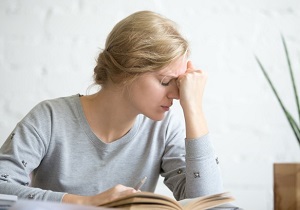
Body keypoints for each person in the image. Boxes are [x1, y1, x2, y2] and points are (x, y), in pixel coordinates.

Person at [0, 10, 223, 206]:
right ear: (129, 71)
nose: (175, 94)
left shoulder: (164, 128)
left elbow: (207, 204)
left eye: (178, 83)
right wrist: (87, 203)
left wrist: (193, 108)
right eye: (165, 81)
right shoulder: (49, 118)